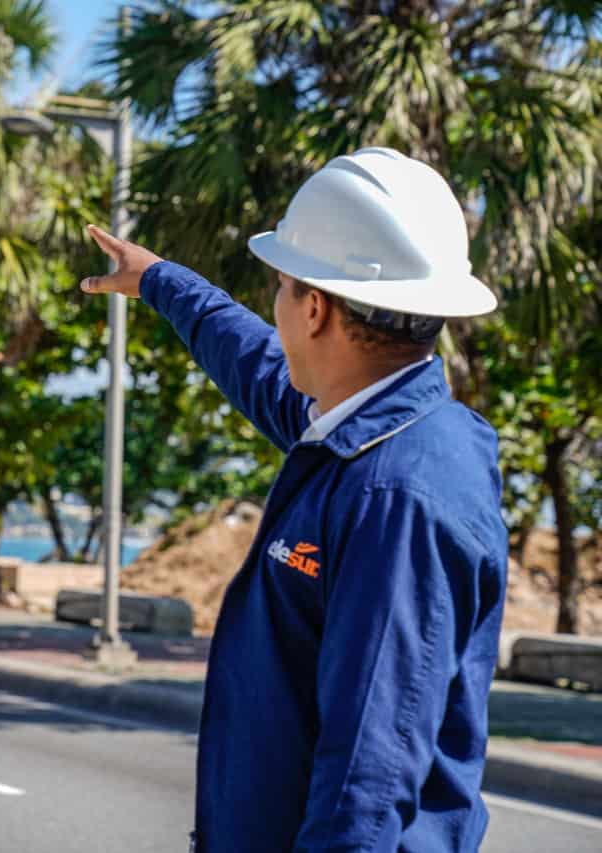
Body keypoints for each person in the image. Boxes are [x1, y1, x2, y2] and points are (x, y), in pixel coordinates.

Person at [80, 148, 507, 852]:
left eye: (280, 286)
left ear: (313, 309)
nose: (273, 311)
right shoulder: (374, 425)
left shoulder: (397, 495)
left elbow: (367, 778)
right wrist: (158, 281)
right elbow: (255, 366)